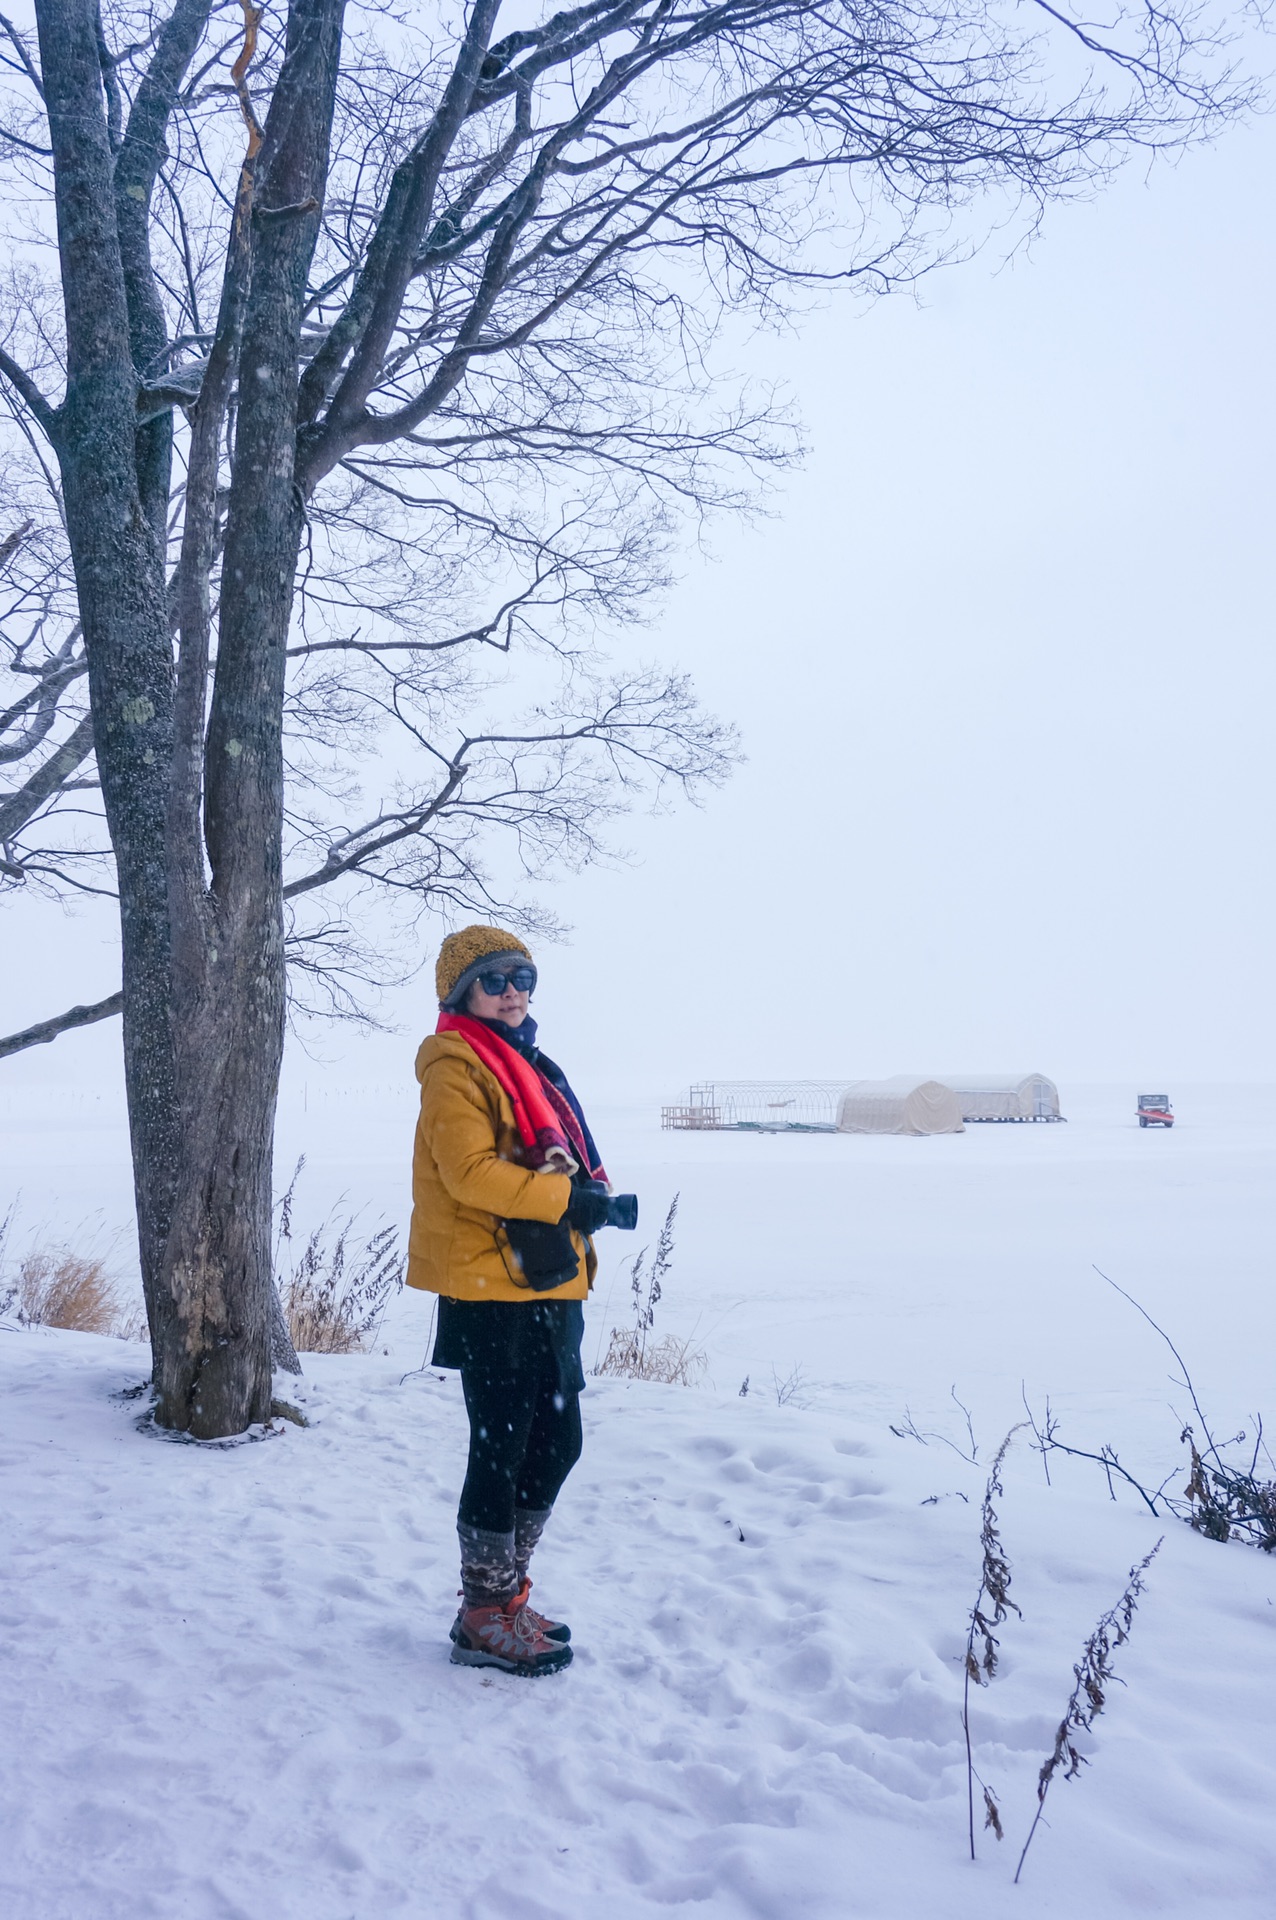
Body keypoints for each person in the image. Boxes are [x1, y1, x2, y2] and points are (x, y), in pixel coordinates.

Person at [407, 924, 624, 1676]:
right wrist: (570, 1198)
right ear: (461, 991)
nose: (513, 993)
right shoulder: (452, 1065)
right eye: (495, 979)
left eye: (523, 978)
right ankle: (482, 1612)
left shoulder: (529, 1065)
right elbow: (469, 1173)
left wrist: (584, 1204)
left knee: (556, 1442)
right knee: (501, 1449)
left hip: (548, 1278)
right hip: (488, 1285)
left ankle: (503, 1598)